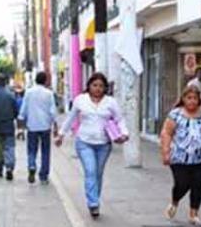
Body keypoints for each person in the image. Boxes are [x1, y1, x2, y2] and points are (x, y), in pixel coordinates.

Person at [56, 72, 127, 218]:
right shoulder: (80, 100)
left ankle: (94, 198)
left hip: (104, 144)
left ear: (105, 88)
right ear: (88, 86)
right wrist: (61, 134)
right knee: (90, 171)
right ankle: (93, 203)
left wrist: (124, 134)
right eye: (95, 85)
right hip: (84, 142)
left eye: (101, 86)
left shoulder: (110, 102)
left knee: (98, 174)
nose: (98, 88)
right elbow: (71, 118)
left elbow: (120, 119)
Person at [161, 85, 201, 225]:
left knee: (198, 185)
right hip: (179, 157)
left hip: (200, 157)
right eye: (189, 98)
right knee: (182, 183)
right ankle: (174, 201)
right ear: (183, 99)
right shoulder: (176, 114)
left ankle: (193, 213)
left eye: (195, 98)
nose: (192, 101)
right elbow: (167, 133)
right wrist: (165, 152)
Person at [18, 72, 58, 184]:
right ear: (45, 81)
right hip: (45, 126)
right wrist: (55, 125)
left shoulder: (29, 92)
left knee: (31, 149)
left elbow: (23, 109)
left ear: (35, 80)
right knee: (45, 151)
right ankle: (44, 176)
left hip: (32, 126)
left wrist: (21, 122)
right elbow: (52, 111)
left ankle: (31, 165)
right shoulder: (49, 93)